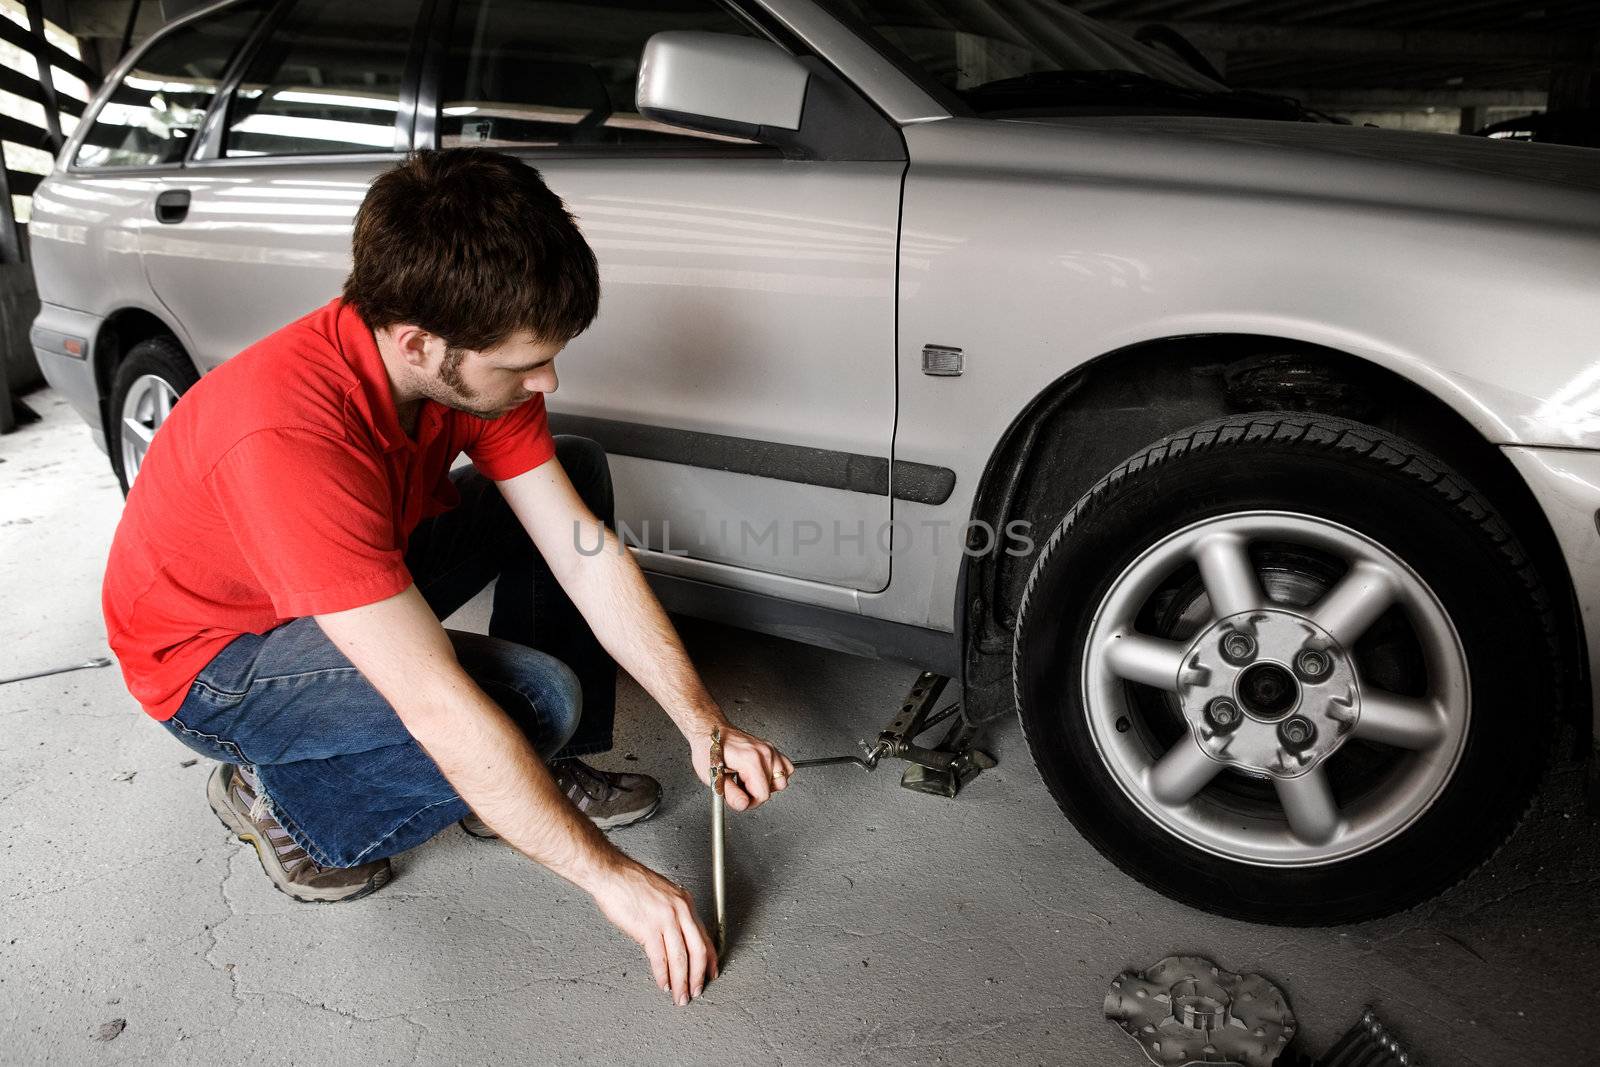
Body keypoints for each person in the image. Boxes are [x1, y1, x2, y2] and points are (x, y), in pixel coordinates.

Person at [100, 148, 793, 1007]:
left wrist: (704, 724)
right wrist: (616, 881)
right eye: (521, 364)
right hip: (213, 662)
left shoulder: (456, 371)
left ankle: (541, 775)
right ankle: (276, 795)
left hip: (329, 575)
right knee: (530, 701)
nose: (546, 381)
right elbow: (436, 702)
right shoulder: (287, 436)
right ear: (419, 341)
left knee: (572, 468)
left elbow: (582, 551)